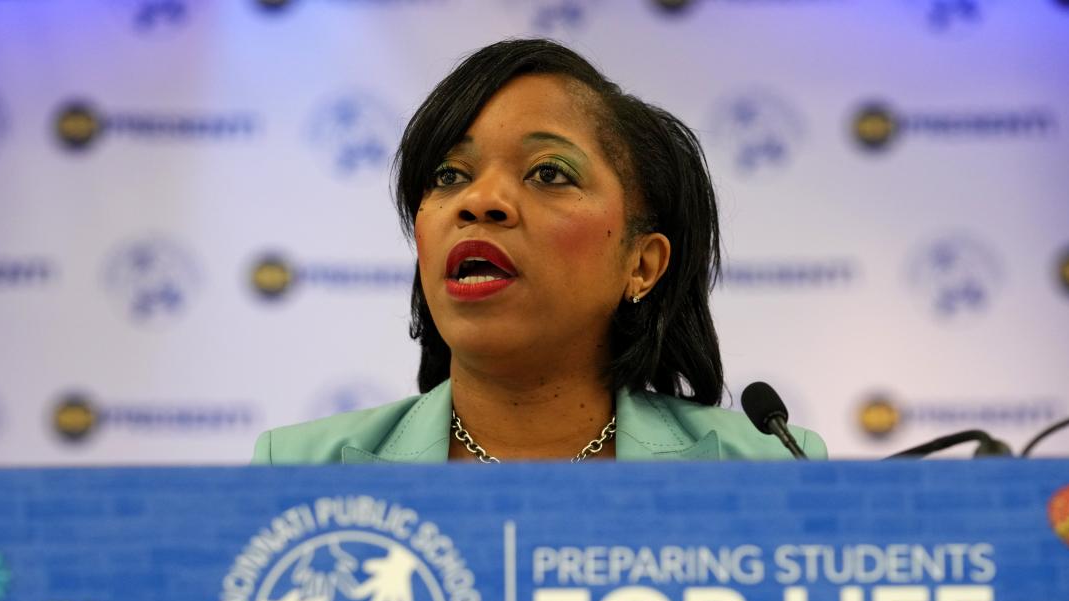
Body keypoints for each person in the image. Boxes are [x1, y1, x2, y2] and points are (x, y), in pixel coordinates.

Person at [253, 39, 826, 465]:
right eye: (449, 175)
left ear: (642, 264)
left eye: (548, 173)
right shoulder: (299, 469)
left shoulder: (770, 466)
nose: (480, 201)